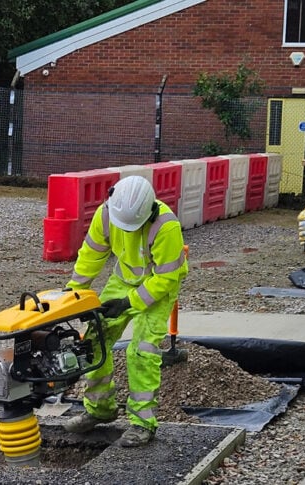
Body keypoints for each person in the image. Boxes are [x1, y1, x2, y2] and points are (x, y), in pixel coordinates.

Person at [62, 175, 188, 447]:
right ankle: (100, 408)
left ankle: (143, 423)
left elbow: (165, 279)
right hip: (124, 278)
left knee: (141, 350)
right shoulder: (107, 214)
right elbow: (91, 255)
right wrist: (73, 293)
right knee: (94, 339)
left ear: (150, 211)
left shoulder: (166, 226)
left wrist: (130, 302)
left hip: (157, 286)